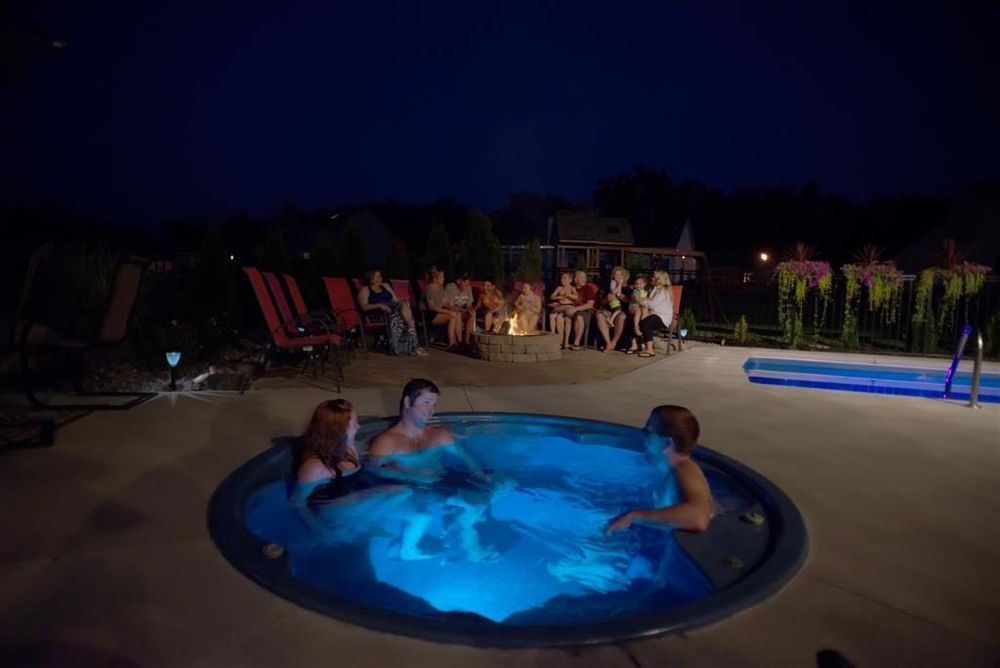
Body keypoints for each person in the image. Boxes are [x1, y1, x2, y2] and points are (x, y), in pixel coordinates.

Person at [369, 379, 503, 561]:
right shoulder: (387, 441)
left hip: (439, 486)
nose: (431, 410)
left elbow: (465, 458)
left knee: (481, 501)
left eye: (434, 404)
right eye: (426, 403)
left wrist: (480, 476)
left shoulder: (439, 434)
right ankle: (407, 549)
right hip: (407, 490)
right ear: (408, 402)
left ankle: (459, 535)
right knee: (422, 516)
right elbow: (373, 470)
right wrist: (411, 474)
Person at [293, 399, 433, 559]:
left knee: (421, 514)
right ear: (340, 429)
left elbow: (368, 466)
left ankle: (407, 550)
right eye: (354, 423)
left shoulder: (349, 445)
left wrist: (399, 469)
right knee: (398, 492)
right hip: (333, 508)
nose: (359, 426)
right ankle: (364, 524)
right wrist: (320, 531)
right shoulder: (315, 467)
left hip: (355, 495)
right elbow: (297, 503)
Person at [605, 405, 714, 535]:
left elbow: (698, 519)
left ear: (667, 442)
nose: (642, 436)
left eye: (647, 431)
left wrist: (632, 516)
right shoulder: (670, 468)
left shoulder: (684, 470)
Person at [357, 269, 426, 356]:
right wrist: (379, 305)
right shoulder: (365, 290)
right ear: (370, 279)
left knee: (404, 304)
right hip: (378, 313)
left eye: (380, 276)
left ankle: (410, 329)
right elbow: (364, 307)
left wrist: (405, 301)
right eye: (377, 276)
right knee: (401, 316)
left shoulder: (385, 286)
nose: (380, 278)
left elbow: (395, 300)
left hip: (392, 307)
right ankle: (408, 346)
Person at [633, 269, 674, 358]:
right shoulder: (656, 289)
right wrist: (644, 301)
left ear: (659, 279)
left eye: (654, 277)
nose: (651, 278)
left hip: (662, 317)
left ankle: (650, 349)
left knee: (646, 323)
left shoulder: (662, 291)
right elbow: (650, 302)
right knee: (635, 318)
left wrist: (641, 300)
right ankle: (637, 344)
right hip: (654, 314)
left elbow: (652, 304)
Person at [422, 267, 463, 349]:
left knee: (457, 314)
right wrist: (448, 312)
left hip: (439, 313)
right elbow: (432, 307)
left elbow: (446, 303)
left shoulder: (441, 288)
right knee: (452, 317)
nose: (444, 279)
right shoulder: (429, 288)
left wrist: (455, 309)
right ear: (436, 278)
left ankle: (459, 342)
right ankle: (452, 343)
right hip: (430, 315)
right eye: (442, 277)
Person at [595, 266, 629, 353]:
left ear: (624, 276)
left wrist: (620, 296)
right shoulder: (610, 286)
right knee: (599, 315)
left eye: (620, 275)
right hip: (609, 310)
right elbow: (602, 302)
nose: (618, 277)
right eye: (616, 275)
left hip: (622, 311)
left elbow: (629, 301)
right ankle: (608, 342)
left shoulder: (627, 288)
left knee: (621, 317)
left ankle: (614, 342)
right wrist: (608, 297)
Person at [567, 270, 597, 351]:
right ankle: (563, 342)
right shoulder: (571, 288)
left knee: (579, 317)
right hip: (569, 309)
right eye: (582, 277)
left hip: (584, 311)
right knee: (558, 317)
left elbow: (590, 304)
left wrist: (575, 309)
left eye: (585, 277)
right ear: (576, 279)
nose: (584, 279)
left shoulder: (588, 289)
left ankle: (577, 342)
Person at [444, 273, 477, 346]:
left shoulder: (468, 288)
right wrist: (464, 310)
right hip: (451, 311)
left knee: (472, 314)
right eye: (464, 280)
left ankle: (467, 341)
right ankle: (460, 342)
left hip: (462, 311)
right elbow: (449, 306)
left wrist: (470, 309)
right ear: (458, 281)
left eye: (468, 280)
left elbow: (469, 305)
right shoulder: (450, 287)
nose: (467, 283)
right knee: (457, 314)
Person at [548, 271, 578, 348]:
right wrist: (559, 297)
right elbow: (552, 297)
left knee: (566, 319)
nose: (562, 280)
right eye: (561, 278)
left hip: (569, 306)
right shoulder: (559, 288)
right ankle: (554, 336)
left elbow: (576, 297)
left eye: (564, 278)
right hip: (560, 306)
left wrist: (568, 295)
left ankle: (566, 340)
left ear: (570, 280)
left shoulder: (572, 288)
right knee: (554, 317)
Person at [626, 274, 649, 354]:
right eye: (636, 284)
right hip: (633, 307)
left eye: (640, 283)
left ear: (644, 284)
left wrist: (645, 300)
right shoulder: (635, 291)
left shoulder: (646, 291)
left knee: (644, 310)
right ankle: (636, 326)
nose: (638, 285)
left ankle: (641, 327)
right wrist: (647, 299)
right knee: (638, 310)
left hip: (642, 309)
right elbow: (636, 299)